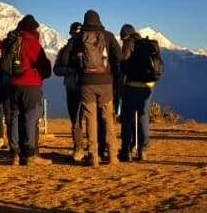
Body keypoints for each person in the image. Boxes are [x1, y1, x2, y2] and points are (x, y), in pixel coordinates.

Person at [73, 10, 123, 166]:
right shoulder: (107, 36)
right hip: (106, 84)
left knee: (91, 120)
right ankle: (113, 155)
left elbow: (73, 59)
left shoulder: (80, 38)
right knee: (108, 119)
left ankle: (94, 156)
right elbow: (119, 57)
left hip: (87, 84)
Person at [8, 14, 53, 166]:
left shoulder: (14, 41)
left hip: (13, 84)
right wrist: (42, 75)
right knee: (30, 118)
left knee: (15, 118)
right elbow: (44, 66)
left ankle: (15, 153)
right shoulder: (32, 42)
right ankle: (31, 154)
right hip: (30, 85)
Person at [119, 23, 159, 162]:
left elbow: (123, 62)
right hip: (148, 87)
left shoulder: (128, 43)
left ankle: (126, 150)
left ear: (125, 36)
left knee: (127, 119)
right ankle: (142, 150)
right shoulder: (147, 44)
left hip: (131, 86)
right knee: (143, 118)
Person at [53, 22, 86, 161]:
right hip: (80, 87)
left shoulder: (66, 49)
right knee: (79, 120)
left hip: (79, 87)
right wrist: (72, 70)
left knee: (79, 120)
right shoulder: (66, 50)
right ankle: (82, 148)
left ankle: (83, 149)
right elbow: (57, 69)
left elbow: (57, 69)